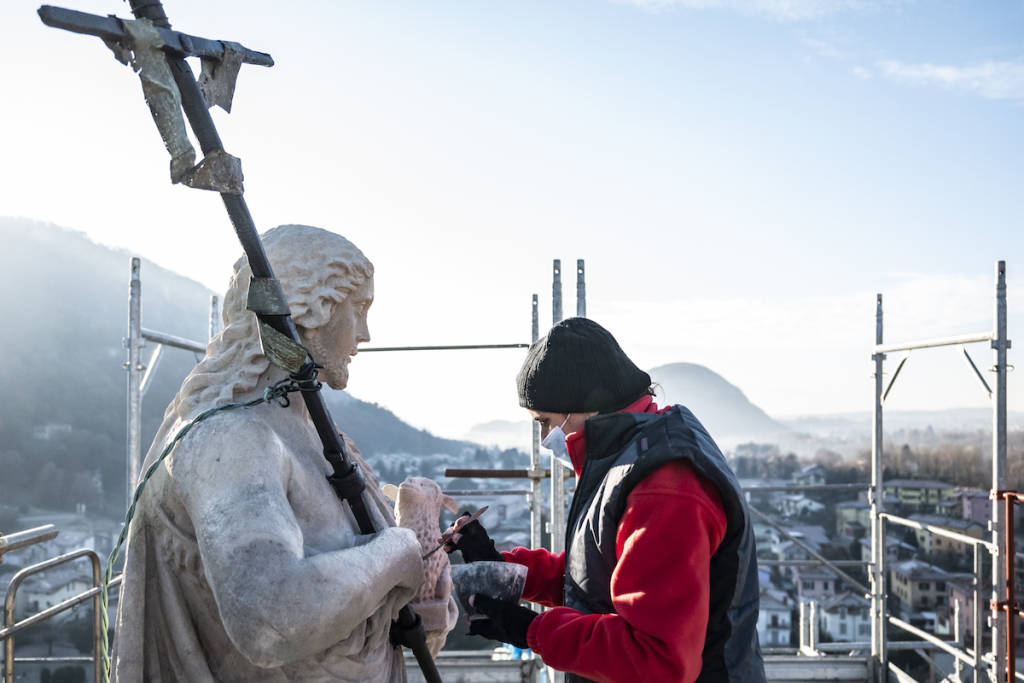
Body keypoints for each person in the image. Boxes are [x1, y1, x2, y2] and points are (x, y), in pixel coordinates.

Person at [112, 224, 454, 682]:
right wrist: (397, 550)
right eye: (359, 309)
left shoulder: (317, 435)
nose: (367, 333)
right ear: (308, 311)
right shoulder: (231, 439)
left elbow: (375, 601)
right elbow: (269, 619)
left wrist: (422, 581)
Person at [445, 317, 766, 683]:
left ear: (581, 404)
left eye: (545, 421)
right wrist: (504, 568)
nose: (545, 438)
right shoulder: (634, 457)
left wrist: (532, 630)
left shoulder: (664, 485)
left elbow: (657, 659)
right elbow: (600, 578)